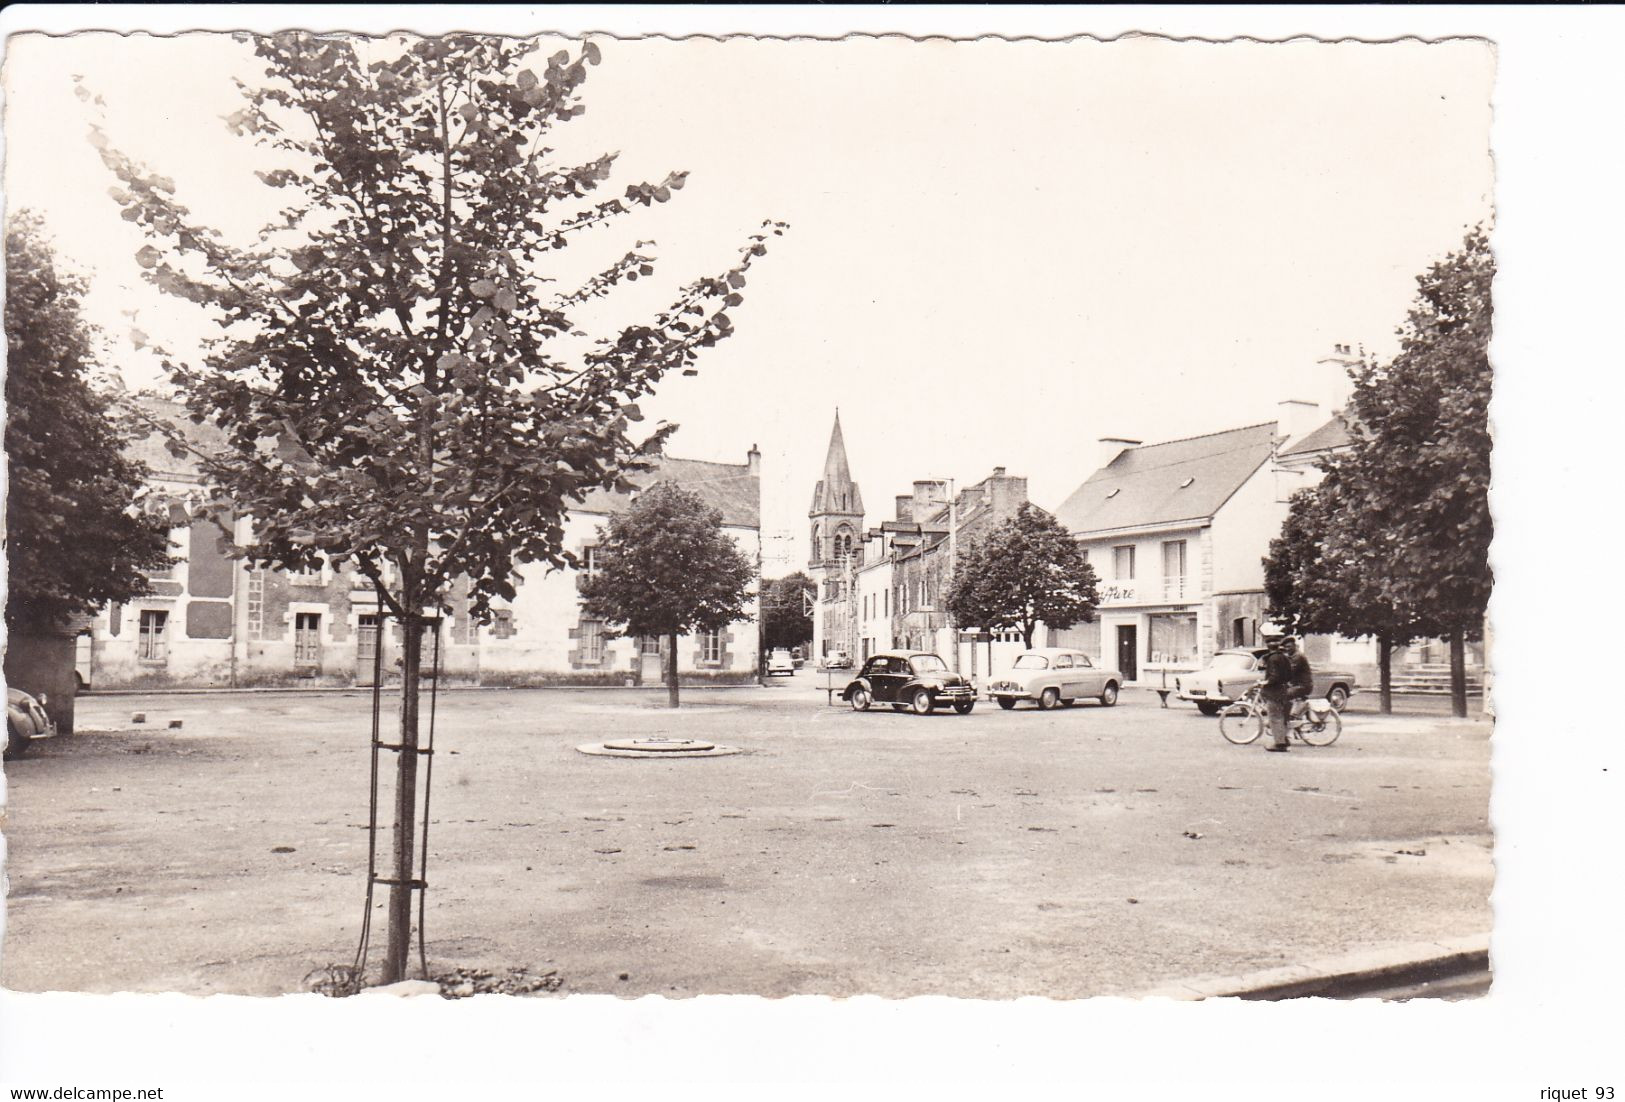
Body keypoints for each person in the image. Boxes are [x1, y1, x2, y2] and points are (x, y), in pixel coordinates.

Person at [1257, 635, 1297, 752]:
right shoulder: (1284, 657)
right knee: (1282, 716)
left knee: (1275, 717)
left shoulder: (1273, 659)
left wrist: (1266, 682)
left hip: (1274, 691)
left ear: (1268, 646)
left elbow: (1274, 676)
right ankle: (1284, 739)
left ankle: (1280, 744)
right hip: (1284, 690)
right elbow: (1289, 674)